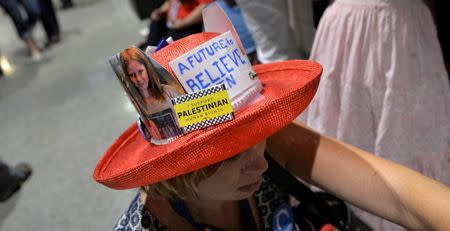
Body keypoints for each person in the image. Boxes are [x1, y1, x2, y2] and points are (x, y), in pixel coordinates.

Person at [94, 33, 450, 231]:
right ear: (176, 166)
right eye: (229, 153)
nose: (260, 165)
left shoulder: (265, 150)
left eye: (257, 133)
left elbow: (395, 193)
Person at [118, 47, 183, 140]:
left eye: (140, 71)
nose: (138, 79)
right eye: (132, 75)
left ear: (147, 69)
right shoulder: (137, 104)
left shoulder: (169, 91)